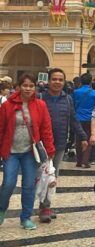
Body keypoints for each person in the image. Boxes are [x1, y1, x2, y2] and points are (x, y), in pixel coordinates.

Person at [0, 73, 55, 230]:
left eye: (31, 86)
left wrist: (50, 149)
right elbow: (1, 128)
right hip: (11, 151)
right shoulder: (7, 105)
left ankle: (25, 218)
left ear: (35, 87)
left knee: (29, 185)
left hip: (30, 152)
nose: (28, 88)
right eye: (25, 85)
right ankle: (2, 208)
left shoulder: (40, 105)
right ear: (18, 87)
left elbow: (46, 128)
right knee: (8, 183)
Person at [39, 68, 87, 222]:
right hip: (39, 145)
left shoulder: (68, 99)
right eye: (54, 79)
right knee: (39, 176)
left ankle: (45, 206)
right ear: (48, 81)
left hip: (59, 143)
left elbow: (73, 120)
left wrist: (83, 136)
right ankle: (35, 207)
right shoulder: (40, 98)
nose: (57, 82)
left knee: (53, 175)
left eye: (60, 80)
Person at [72, 72, 95, 167]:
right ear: (91, 81)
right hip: (90, 118)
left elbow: (73, 105)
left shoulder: (76, 92)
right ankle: (86, 160)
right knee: (88, 139)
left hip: (78, 118)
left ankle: (79, 161)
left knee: (78, 139)